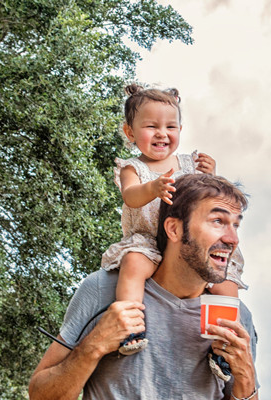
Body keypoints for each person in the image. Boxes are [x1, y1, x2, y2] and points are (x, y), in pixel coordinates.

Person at [28, 174, 259, 400]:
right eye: (218, 221)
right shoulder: (103, 289)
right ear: (174, 229)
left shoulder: (238, 318)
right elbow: (40, 395)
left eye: (235, 225)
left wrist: (246, 379)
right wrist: (94, 345)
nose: (233, 239)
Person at [103, 84, 247, 356]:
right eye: (151, 126)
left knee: (225, 283)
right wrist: (152, 189)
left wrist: (213, 175)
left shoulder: (189, 163)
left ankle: (224, 344)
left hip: (189, 243)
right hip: (149, 240)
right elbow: (131, 197)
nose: (162, 134)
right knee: (132, 265)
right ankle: (131, 326)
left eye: (171, 127)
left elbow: (211, 197)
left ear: (180, 130)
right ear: (129, 132)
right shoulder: (133, 168)